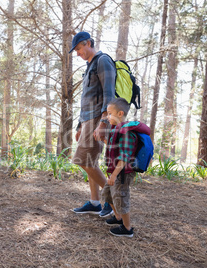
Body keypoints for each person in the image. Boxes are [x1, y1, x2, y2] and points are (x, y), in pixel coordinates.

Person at [69, 31, 116, 217]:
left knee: (81, 159)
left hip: (98, 117)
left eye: (79, 48)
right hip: (88, 119)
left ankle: (111, 197)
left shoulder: (103, 61)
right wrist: (80, 126)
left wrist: (104, 121)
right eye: (76, 51)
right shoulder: (89, 67)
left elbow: (109, 93)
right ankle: (95, 202)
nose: (78, 53)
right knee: (89, 160)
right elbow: (87, 99)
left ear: (88, 43)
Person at [101, 98, 139, 237]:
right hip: (115, 171)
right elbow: (114, 149)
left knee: (121, 197)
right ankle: (118, 218)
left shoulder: (126, 131)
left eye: (110, 113)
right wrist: (103, 140)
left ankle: (127, 228)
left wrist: (114, 175)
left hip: (122, 173)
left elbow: (124, 157)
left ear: (120, 113)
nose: (107, 116)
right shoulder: (115, 129)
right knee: (107, 194)